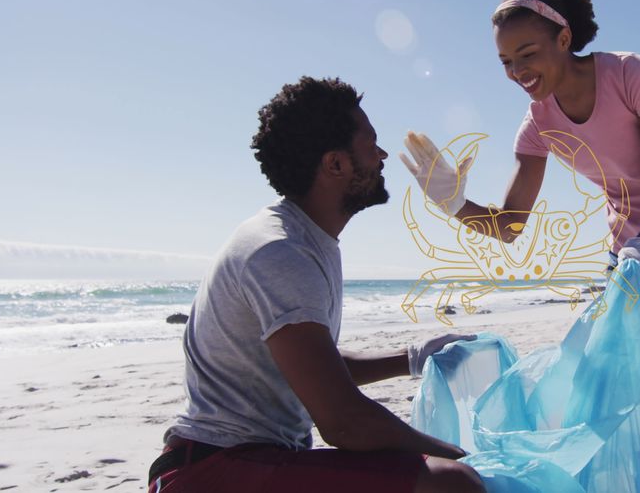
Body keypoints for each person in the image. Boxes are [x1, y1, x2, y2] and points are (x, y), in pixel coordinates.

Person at [401, 0, 640, 492]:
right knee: (622, 408)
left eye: (527, 53)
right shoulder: (537, 123)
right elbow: (511, 225)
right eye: (505, 62)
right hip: (629, 267)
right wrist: (454, 204)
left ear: (563, 39)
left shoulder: (631, 75)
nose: (517, 71)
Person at [150, 77, 485, 493]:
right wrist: (463, 457)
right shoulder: (281, 252)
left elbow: (315, 368)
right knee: (452, 483)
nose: (382, 156)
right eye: (371, 144)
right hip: (211, 470)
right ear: (335, 164)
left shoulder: (304, 239)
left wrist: (413, 358)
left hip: (258, 459)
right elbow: (342, 422)